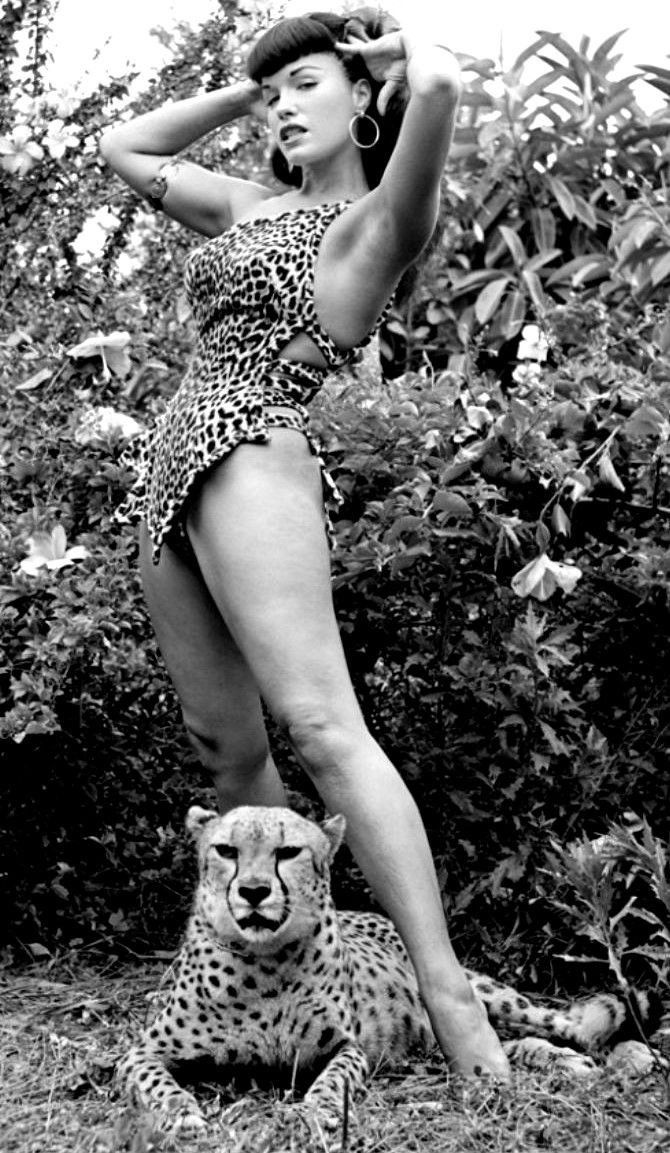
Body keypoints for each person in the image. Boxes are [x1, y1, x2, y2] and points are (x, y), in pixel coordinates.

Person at [100, 6, 510, 1079]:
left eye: (305, 88)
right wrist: (256, 84)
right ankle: (281, 994)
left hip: (251, 448)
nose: (283, 107)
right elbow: (123, 149)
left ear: (362, 98)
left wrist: (384, 58)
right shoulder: (244, 203)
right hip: (169, 470)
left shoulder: (375, 223)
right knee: (226, 752)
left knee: (323, 729)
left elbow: (442, 91)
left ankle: (451, 1001)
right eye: (275, 97)